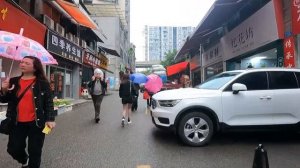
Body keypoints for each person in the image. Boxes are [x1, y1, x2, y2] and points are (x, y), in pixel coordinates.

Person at [0, 56, 56, 168]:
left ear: (35, 68)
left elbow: (49, 102)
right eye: (21, 62)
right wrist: (4, 89)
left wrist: (50, 119)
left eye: (26, 63)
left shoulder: (43, 83)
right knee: (13, 149)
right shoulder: (13, 81)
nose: (22, 64)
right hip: (16, 122)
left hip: (37, 123)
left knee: (35, 151)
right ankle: (25, 160)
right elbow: (3, 99)